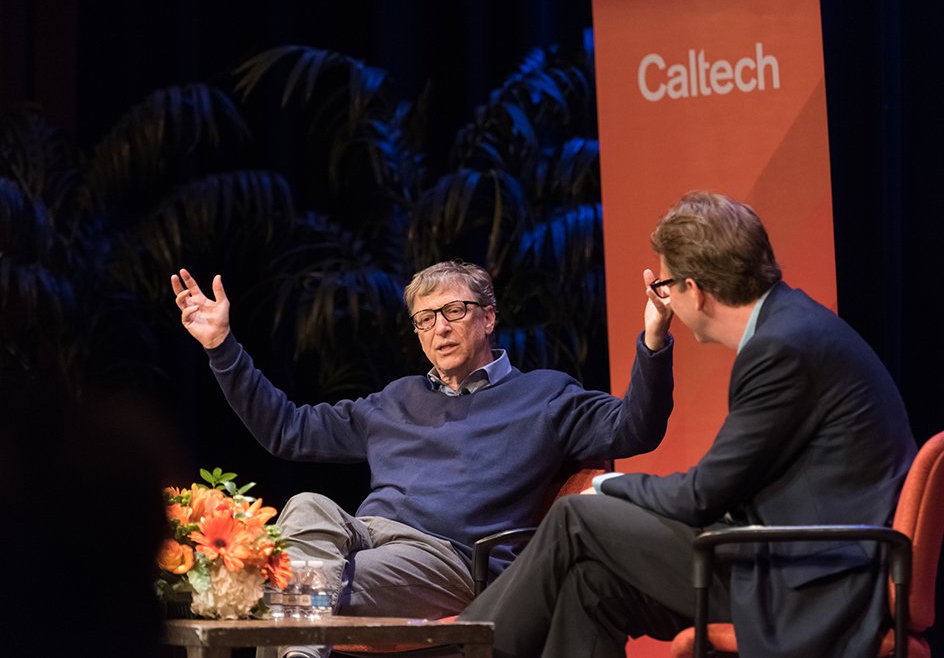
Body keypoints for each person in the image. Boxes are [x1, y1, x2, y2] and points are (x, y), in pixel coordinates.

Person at [459, 191, 917, 657]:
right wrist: (655, 337)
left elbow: (701, 496)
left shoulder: (781, 350)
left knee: (575, 515)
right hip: (788, 555)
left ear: (693, 290)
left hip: (808, 579)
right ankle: (467, 642)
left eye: (665, 285)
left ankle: (465, 647)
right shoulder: (792, 325)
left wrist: (609, 485)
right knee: (591, 582)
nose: (666, 298)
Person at [171, 259, 675, 658]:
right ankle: (300, 656)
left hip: (449, 560)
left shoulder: (544, 395)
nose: (440, 328)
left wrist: (654, 339)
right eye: (426, 319)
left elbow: (635, 427)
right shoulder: (394, 400)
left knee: (282, 585)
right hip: (367, 536)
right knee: (306, 505)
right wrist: (222, 347)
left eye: (454, 311)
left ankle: (295, 646)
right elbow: (287, 430)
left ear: (488, 317)